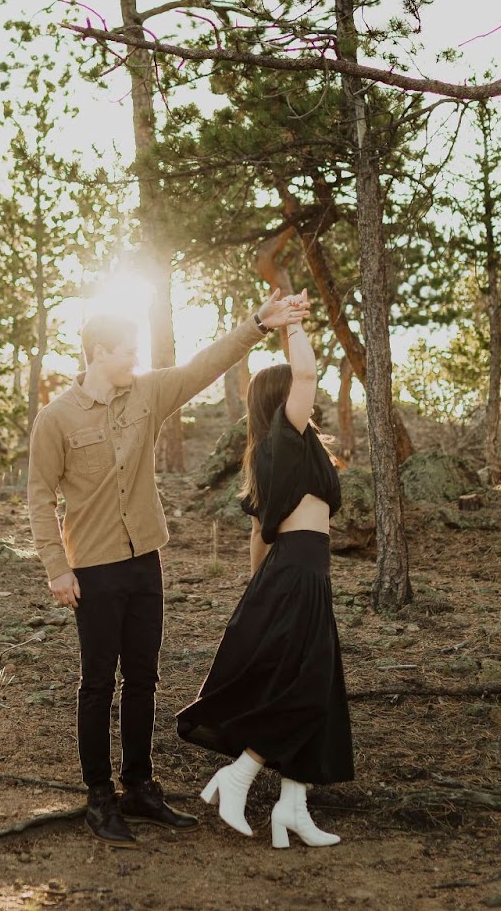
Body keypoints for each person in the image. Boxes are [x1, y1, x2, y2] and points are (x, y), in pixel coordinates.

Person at [28, 289, 310, 847]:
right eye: (126, 348)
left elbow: (205, 365)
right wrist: (57, 568)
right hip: (94, 570)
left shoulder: (148, 393)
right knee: (97, 685)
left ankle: (139, 787)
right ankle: (99, 798)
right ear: (98, 351)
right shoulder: (55, 419)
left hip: (144, 562)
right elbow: (39, 498)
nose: (135, 356)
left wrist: (258, 322)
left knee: (144, 680)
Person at [176, 290, 353, 848]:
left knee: (320, 691)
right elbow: (306, 371)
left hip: (298, 575)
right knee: (305, 689)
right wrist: (293, 324)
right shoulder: (286, 435)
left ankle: (292, 808)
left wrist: (259, 590)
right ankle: (240, 772)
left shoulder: (284, 452)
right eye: (302, 395)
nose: (314, 400)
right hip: (298, 574)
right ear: (282, 401)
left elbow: (260, 532)